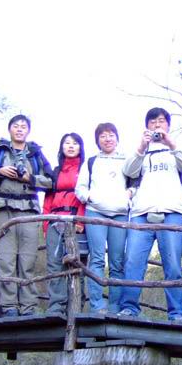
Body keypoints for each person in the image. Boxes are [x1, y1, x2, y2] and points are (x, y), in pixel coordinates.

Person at [118, 107, 182, 320]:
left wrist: (171, 143)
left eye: (161, 121)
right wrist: (141, 147)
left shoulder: (176, 147)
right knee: (133, 261)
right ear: (147, 126)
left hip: (172, 211)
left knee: (173, 264)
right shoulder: (141, 149)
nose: (157, 125)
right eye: (152, 122)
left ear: (168, 125)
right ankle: (129, 308)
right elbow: (129, 171)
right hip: (141, 212)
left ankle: (177, 313)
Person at [0, 114, 53, 317]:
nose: (20, 129)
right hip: (4, 209)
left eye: (23, 126)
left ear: (28, 130)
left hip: (29, 208)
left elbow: (51, 181)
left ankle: (28, 306)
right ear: (9, 129)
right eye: (16, 126)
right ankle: (9, 306)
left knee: (27, 260)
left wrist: (30, 178)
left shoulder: (36, 154)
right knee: (5, 260)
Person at [75, 123, 131, 313]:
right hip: (95, 212)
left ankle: (115, 307)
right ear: (97, 140)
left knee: (117, 262)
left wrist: (129, 195)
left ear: (117, 138)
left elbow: (136, 182)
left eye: (111, 135)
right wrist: (90, 197)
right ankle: (96, 305)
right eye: (103, 136)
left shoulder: (127, 159)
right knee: (97, 259)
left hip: (120, 214)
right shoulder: (91, 161)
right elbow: (80, 188)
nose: (108, 139)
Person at [42, 133, 86, 314]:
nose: (71, 146)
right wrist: (45, 223)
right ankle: (56, 306)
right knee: (54, 264)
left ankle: (75, 307)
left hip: (75, 221)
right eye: (67, 143)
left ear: (80, 147)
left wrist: (81, 220)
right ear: (61, 147)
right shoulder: (55, 171)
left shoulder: (85, 169)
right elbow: (48, 199)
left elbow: (85, 198)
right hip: (55, 220)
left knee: (76, 263)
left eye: (75, 143)